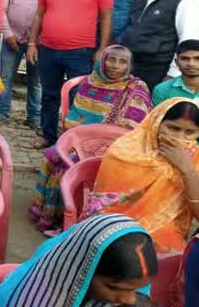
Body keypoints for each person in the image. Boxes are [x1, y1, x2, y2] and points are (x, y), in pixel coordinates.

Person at [29, 45, 152, 235]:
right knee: (55, 156)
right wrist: (84, 141)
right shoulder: (89, 82)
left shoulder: (137, 89)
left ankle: (80, 221)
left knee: (78, 165)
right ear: (101, 61)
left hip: (118, 148)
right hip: (82, 142)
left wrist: (106, 143)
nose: (116, 65)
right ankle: (58, 216)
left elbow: (137, 130)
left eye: (122, 61)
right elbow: (74, 119)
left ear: (129, 66)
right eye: (111, 59)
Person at [27, 0, 114, 148]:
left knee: (79, 96)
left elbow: (107, 18)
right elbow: (39, 16)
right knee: (49, 94)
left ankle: (76, 139)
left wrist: (102, 49)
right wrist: (32, 43)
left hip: (81, 51)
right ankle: (48, 135)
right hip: (48, 49)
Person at [84, 98, 199, 254]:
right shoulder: (124, 152)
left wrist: (187, 169)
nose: (180, 137)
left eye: (189, 132)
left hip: (167, 228)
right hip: (115, 225)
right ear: (156, 123)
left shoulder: (195, 158)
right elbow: (109, 205)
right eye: (172, 128)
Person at [0, 214, 158, 307]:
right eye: (114, 287)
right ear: (81, 270)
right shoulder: (27, 300)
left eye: (137, 288)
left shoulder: (126, 297)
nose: (129, 299)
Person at [122, 0, 199, 91]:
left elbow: (188, 42)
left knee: (153, 112)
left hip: (158, 72)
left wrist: (172, 75)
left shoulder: (186, 0)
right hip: (131, 68)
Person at [0, 0, 47, 128]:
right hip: (12, 39)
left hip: (39, 42)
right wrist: (8, 34)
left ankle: (34, 117)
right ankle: (2, 113)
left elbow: (49, 13)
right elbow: (0, 10)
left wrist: (37, 39)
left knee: (36, 81)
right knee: (5, 78)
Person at [152, 39, 199, 104]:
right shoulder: (161, 90)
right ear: (176, 62)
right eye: (184, 58)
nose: (191, 64)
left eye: (198, 58)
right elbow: (158, 114)